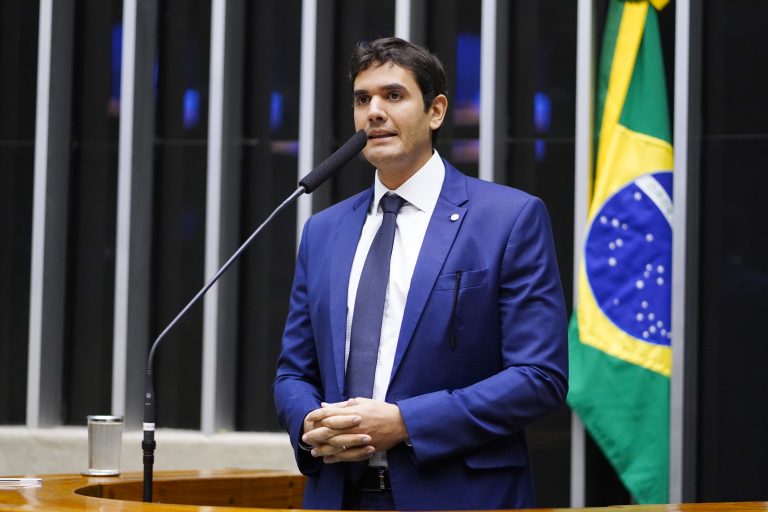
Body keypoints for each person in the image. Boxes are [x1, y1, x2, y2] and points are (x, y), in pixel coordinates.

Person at [273, 37, 568, 510]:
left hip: (461, 496)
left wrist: (406, 422)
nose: (374, 112)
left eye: (393, 96)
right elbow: (293, 372)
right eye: (362, 99)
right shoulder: (323, 231)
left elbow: (539, 377)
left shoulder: (508, 218)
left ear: (436, 111)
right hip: (339, 496)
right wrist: (310, 424)